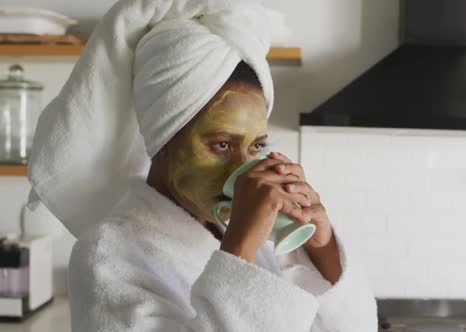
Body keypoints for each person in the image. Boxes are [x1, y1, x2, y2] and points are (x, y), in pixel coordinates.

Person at [27, 0, 377, 331]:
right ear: (161, 140)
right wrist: (240, 249)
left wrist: (323, 249)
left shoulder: (256, 233)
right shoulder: (105, 256)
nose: (244, 170)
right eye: (222, 145)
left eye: (256, 146)